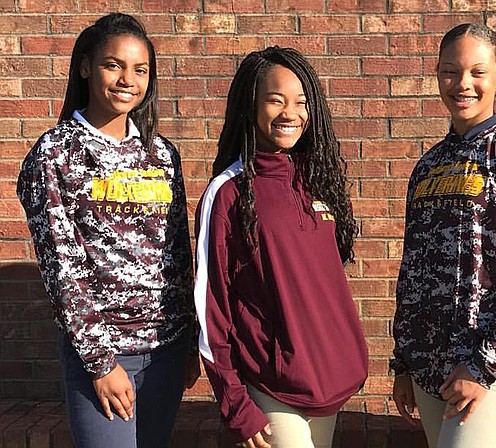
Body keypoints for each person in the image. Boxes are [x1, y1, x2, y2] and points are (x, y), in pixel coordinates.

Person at [16, 12, 199, 448]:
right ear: (85, 66)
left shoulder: (161, 152)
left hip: (165, 350)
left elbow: (177, 252)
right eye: (113, 65)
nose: (126, 80)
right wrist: (100, 363)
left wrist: (190, 338)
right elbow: (61, 266)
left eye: (140, 70)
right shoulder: (55, 153)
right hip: (104, 355)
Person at [390, 23, 496, 448]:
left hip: (487, 360)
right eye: (450, 71)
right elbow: (412, 271)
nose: (462, 84)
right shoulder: (428, 167)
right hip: (429, 359)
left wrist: (484, 366)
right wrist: (404, 363)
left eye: (477, 72)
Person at [194, 46, 368, 448]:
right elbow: (211, 309)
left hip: (326, 384)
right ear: (250, 105)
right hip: (270, 385)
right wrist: (236, 404)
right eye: (276, 100)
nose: (290, 113)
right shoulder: (228, 193)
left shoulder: (318, 181)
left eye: (301, 102)